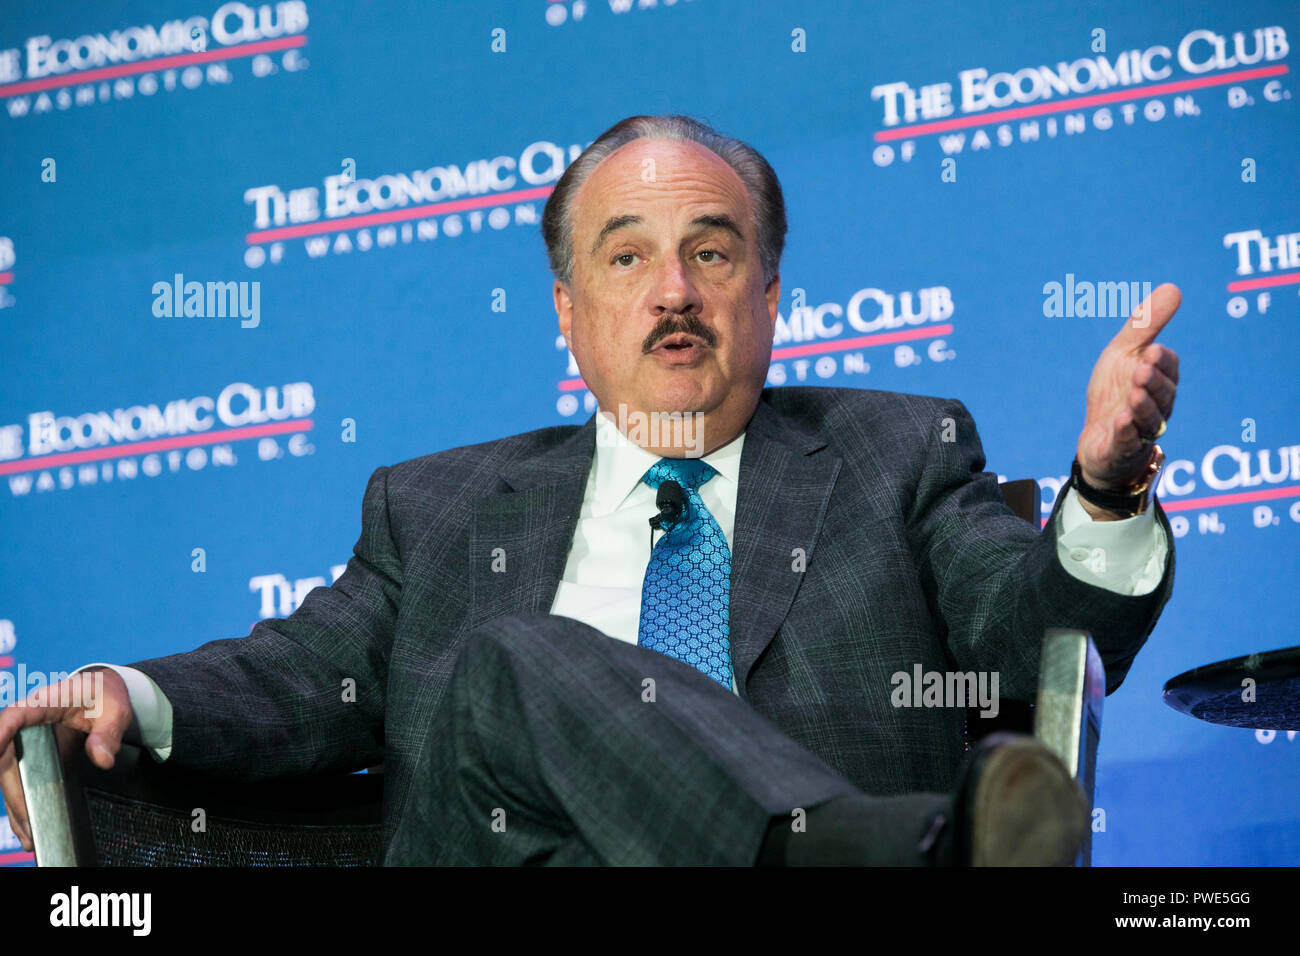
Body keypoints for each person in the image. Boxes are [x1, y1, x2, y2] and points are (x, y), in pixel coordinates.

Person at [0, 115, 1178, 866]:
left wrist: (1105, 491)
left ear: (768, 295)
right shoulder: (440, 507)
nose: (672, 290)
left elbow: (1033, 646)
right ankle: (881, 851)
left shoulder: (897, 451)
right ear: (568, 309)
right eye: (626, 256)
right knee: (513, 656)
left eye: (710, 252)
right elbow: (301, 674)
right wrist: (124, 688)